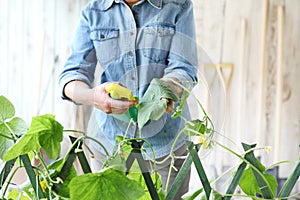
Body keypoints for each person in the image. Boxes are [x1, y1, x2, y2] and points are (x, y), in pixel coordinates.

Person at [59, 0, 198, 198]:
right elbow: (71, 77)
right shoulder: (94, 11)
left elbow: (184, 68)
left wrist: (166, 89)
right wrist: (93, 97)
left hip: (166, 145)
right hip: (109, 144)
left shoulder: (178, 6)